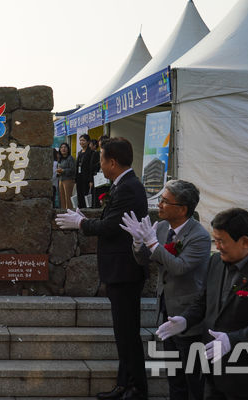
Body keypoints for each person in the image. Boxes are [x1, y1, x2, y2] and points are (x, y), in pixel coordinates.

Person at [156, 208, 248, 400]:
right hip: (212, 373)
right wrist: (185, 320)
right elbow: (203, 301)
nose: (217, 246)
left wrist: (232, 340)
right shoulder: (216, 262)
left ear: (244, 242)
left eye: (222, 241)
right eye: (215, 240)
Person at [56, 137, 148, 400]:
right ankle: (124, 385)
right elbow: (111, 220)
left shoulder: (129, 187)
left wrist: (81, 224)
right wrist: (84, 219)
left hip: (125, 270)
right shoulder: (123, 185)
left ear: (113, 162)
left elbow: (110, 227)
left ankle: (137, 389)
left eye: (102, 160)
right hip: (119, 269)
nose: (100, 165)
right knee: (123, 333)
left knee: (128, 333)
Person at [124, 180, 211, 400]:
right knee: (174, 377)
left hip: (189, 316)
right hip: (165, 310)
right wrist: (137, 243)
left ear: (182, 209)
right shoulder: (162, 228)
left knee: (193, 380)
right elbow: (145, 258)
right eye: (160, 200)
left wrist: (153, 245)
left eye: (164, 201)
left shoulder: (199, 236)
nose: (159, 205)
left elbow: (179, 267)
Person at [75, 134, 94, 208]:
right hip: (79, 177)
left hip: (86, 178)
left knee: (86, 195)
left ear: (88, 142)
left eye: (83, 140)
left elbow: (91, 167)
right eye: (80, 140)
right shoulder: (79, 153)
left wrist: (91, 180)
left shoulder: (91, 153)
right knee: (79, 195)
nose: (81, 142)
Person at [56, 142, 75, 209]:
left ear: (68, 149)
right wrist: (58, 172)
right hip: (61, 179)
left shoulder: (70, 158)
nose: (63, 149)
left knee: (68, 197)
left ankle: (69, 213)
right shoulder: (60, 159)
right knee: (62, 198)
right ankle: (63, 212)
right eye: (61, 147)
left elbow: (73, 170)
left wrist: (63, 171)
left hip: (68, 180)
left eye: (65, 147)